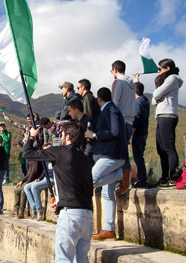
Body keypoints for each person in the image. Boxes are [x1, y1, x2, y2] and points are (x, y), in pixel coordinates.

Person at [23, 122, 93, 263]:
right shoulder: (86, 160)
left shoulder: (60, 151)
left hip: (70, 216)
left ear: (67, 137)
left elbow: (27, 153)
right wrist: (62, 202)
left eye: (61, 134)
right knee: (81, 259)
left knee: (64, 259)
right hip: (87, 215)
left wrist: (31, 137)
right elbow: (88, 189)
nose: (60, 137)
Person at [85, 87, 128, 241]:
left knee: (89, 181)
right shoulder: (111, 110)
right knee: (106, 194)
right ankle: (109, 229)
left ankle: (119, 174)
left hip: (112, 155)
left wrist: (95, 135)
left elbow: (115, 131)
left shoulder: (110, 110)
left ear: (99, 99)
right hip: (113, 155)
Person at [152, 58, 183, 187]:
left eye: (160, 69)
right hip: (161, 115)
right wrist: (158, 97)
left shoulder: (173, 79)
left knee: (169, 148)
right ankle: (164, 177)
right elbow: (154, 100)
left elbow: (156, 93)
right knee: (161, 149)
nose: (158, 71)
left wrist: (158, 96)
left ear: (168, 68)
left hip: (168, 115)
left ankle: (173, 177)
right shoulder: (167, 81)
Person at [111, 60, 135, 194]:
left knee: (118, 154)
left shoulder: (118, 83)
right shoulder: (132, 85)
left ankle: (121, 183)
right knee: (125, 152)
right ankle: (126, 180)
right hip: (130, 121)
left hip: (120, 121)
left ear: (115, 69)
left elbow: (114, 103)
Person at [23, 143, 54, 221]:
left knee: (34, 187)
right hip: (44, 178)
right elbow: (44, 171)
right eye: (46, 149)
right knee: (26, 187)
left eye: (49, 148)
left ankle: (39, 209)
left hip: (52, 179)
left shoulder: (55, 158)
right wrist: (39, 178)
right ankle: (34, 207)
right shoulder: (45, 160)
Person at [132, 74, 150, 188]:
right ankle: (142, 179)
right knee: (140, 157)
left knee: (138, 158)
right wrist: (137, 79)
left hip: (137, 134)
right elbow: (138, 88)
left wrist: (130, 134)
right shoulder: (145, 100)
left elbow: (136, 118)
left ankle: (142, 180)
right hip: (143, 133)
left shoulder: (138, 103)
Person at [67, 99, 94, 165]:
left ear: (76, 110)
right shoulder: (76, 123)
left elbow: (90, 143)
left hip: (86, 159)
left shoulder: (88, 122)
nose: (69, 114)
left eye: (70, 111)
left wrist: (85, 157)